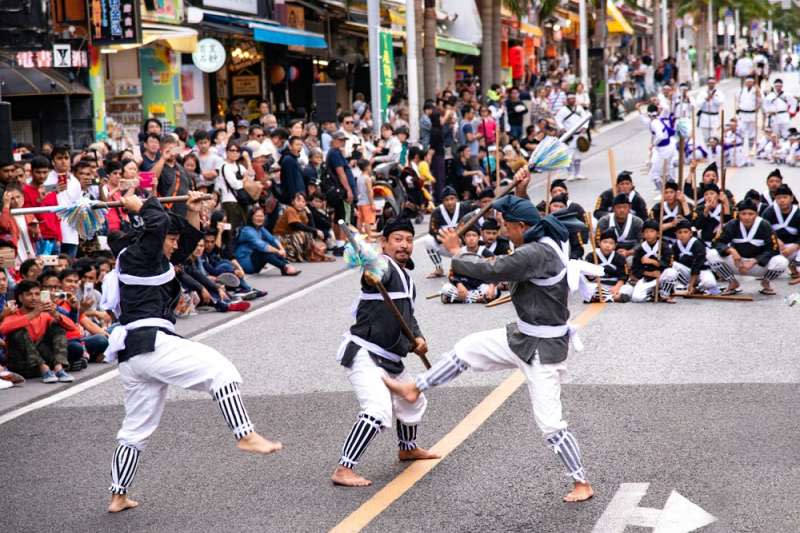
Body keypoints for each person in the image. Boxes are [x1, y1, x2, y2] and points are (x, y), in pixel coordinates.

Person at [383, 190, 598, 503]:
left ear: (522, 227)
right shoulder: (542, 237)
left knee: (550, 423)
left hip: (544, 351)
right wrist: (519, 192)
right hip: (523, 337)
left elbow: (492, 270)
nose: (503, 233)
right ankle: (416, 387)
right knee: (468, 347)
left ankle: (581, 482)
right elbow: (507, 249)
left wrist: (457, 252)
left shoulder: (536, 253)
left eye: (507, 227)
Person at [100, 192, 281, 513]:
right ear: (150, 238)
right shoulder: (138, 255)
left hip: (134, 356)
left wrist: (194, 211)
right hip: (151, 343)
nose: (173, 244)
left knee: (135, 428)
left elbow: (182, 245)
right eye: (168, 239)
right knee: (220, 371)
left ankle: (118, 496)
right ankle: (245, 434)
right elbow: (155, 222)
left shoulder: (142, 260)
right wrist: (139, 203)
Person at [331, 217, 439, 487]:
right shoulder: (385, 267)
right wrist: (371, 267)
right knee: (377, 410)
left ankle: (407, 448)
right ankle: (344, 468)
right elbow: (373, 275)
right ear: (385, 243)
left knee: (413, 399)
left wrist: (418, 337)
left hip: (391, 358)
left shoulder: (408, 278)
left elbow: (407, 315)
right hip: (365, 353)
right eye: (398, 239)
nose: (404, 245)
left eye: (409, 239)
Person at [1, 280, 77, 383]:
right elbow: (3, 328)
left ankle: (59, 368)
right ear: (20, 298)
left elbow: (72, 327)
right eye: (29, 294)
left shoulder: (45, 313)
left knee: (57, 326)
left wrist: (55, 314)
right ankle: (44, 369)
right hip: (21, 364)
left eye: (37, 294)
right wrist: (33, 314)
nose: (34, 298)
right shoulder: (14, 314)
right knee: (17, 330)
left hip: (44, 359)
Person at [707, 198, 788, 295]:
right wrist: (731, 250)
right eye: (743, 214)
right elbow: (717, 242)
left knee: (781, 262)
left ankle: (766, 281)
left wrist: (754, 261)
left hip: (758, 265)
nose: (747, 217)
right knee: (711, 254)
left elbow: (773, 250)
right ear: (739, 214)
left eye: (751, 214)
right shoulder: (732, 224)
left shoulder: (764, 225)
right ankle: (732, 282)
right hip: (738, 263)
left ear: (756, 214)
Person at [420, 186, 473, 278]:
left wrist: (461, 239)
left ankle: (469, 268)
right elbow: (432, 230)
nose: (449, 202)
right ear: (442, 201)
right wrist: (445, 239)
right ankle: (439, 268)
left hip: (463, 245)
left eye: (452, 199)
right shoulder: (437, 212)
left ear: (456, 199)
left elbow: (479, 210)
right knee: (427, 240)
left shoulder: (465, 207)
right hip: (445, 244)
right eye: (446, 200)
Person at [440, 225, 499, 304]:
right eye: (468, 236)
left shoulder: (485, 252)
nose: (471, 238)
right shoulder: (459, 252)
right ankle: (477, 299)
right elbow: (452, 274)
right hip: (464, 284)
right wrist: (459, 284)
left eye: (474, 235)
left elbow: (496, 270)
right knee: (446, 288)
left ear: (478, 238)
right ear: (464, 238)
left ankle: (456, 298)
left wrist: (492, 286)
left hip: (480, 283)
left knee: (493, 291)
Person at [234, 206, 300, 276]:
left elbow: (272, 238)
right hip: (245, 263)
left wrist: (282, 249)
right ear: (251, 217)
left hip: (255, 261)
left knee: (273, 244)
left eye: (262, 216)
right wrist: (278, 251)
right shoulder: (247, 230)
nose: (260, 218)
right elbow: (262, 246)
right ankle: (285, 267)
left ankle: (286, 266)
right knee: (264, 250)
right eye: (257, 216)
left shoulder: (260, 228)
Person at [272, 192, 330, 262]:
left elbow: (312, 228)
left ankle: (306, 254)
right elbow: (296, 225)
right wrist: (316, 231)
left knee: (308, 233)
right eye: (298, 201)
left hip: (288, 238)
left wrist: (309, 214)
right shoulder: (290, 210)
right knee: (301, 233)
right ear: (293, 202)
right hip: (279, 238)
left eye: (303, 201)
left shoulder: (302, 212)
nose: (300, 203)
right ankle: (292, 255)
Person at [629, 219, 678, 303]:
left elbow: (668, 264)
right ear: (643, 234)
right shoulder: (640, 249)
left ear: (658, 233)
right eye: (646, 232)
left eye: (652, 231)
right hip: (646, 278)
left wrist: (653, 262)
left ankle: (664, 294)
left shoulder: (664, 246)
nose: (649, 234)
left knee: (671, 272)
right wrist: (649, 273)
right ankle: (652, 293)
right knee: (637, 298)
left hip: (661, 277)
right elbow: (635, 269)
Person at [761, 184, 800, 284]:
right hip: (774, 248)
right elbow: (762, 231)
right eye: (779, 198)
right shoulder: (769, 211)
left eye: (785, 197)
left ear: (791, 198)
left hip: (793, 248)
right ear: (775, 199)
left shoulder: (798, 213)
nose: (782, 200)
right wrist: (776, 240)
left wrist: (794, 247)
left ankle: (796, 268)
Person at [671, 219, 718, 294]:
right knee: (673, 265)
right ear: (676, 234)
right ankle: (687, 286)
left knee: (710, 283)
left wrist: (691, 284)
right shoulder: (676, 245)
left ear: (691, 233)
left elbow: (697, 264)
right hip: (687, 273)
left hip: (701, 271)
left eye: (685, 232)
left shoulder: (697, 243)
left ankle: (696, 287)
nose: (682, 235)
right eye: (679, 232)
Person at [584, 230, 632, 303]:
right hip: (599, 285)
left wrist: (616, 287)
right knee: (588, 288)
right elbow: (587, 275)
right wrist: (592, 274)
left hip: (614, 285)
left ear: (615, 246)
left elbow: (623, 276)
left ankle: (604, 297)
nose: (607, 245)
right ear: (599, 243)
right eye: (605, 242)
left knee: (629, 288)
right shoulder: (591, 256)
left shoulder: (619, 257)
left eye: (611, 243)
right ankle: (612, 297)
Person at [152, 136, 193, 217]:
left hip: (184, 212)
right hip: (166, 213)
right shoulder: (157, 166)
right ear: (161, 151)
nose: (172, 153)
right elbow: (152, 179)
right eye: (168, 150)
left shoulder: (182, 169)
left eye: (174, 149)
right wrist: (163, 158)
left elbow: (190, 188)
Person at [596, 194, 644, 262]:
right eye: (618, 207)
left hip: (631, 252)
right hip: (608, 251)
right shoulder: (604, 221)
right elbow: (598, 241)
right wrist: (612, 252)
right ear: (613, 208)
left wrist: (629, 252)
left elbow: (642, 241)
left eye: (625, 207)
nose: (622, 210)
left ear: (629, 207)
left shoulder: (637, 222)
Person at [640, 103, 676, 191]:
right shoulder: (657, 120)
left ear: (648, 113)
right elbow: (644, 120)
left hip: (664, 150)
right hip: (666, 148)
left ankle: (664, 193)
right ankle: (672, 191)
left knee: (654, 174)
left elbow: (660, 136)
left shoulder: (655, 123)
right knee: (665, 172)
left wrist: (653, 144)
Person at [555, 93, 589, 181]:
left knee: (578, 156)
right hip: (569, 136)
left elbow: (585, 118)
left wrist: (584, 127)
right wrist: (562, 128)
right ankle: (570, 174)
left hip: (578, 135)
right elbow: (557, 120)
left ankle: (577, 173)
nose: (572, 100)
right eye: (570, 99)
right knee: (568, 156)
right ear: (567, 100)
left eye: (573, 98)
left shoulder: (579, 108)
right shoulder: (563, 110)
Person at [695, 77, 724, 143]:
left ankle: (714, 151)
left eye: (713, 83)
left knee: (714, 138)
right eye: (710, 83)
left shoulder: (719, 93)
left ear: (715, 83)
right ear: (707, 84)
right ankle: (708, 151)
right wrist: (705, 99)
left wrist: (713, 97)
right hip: (704, 116)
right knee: (706, 138)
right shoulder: (702, 92)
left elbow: (720, 102)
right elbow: (698, 104)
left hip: (714, 117)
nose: (711, 85)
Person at [736, 76, 760, 150]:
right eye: (748, 82)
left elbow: (759, 100)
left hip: (752, 113)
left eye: (751, 82)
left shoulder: (756, 90)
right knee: (741, 129)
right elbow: (738, 100)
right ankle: (741, 147)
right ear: (745, 83)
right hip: (743, 113)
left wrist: (757, 108)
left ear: (753, 82)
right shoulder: (742, 90)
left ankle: (751, 148)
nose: (749, 83)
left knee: (752, 131)